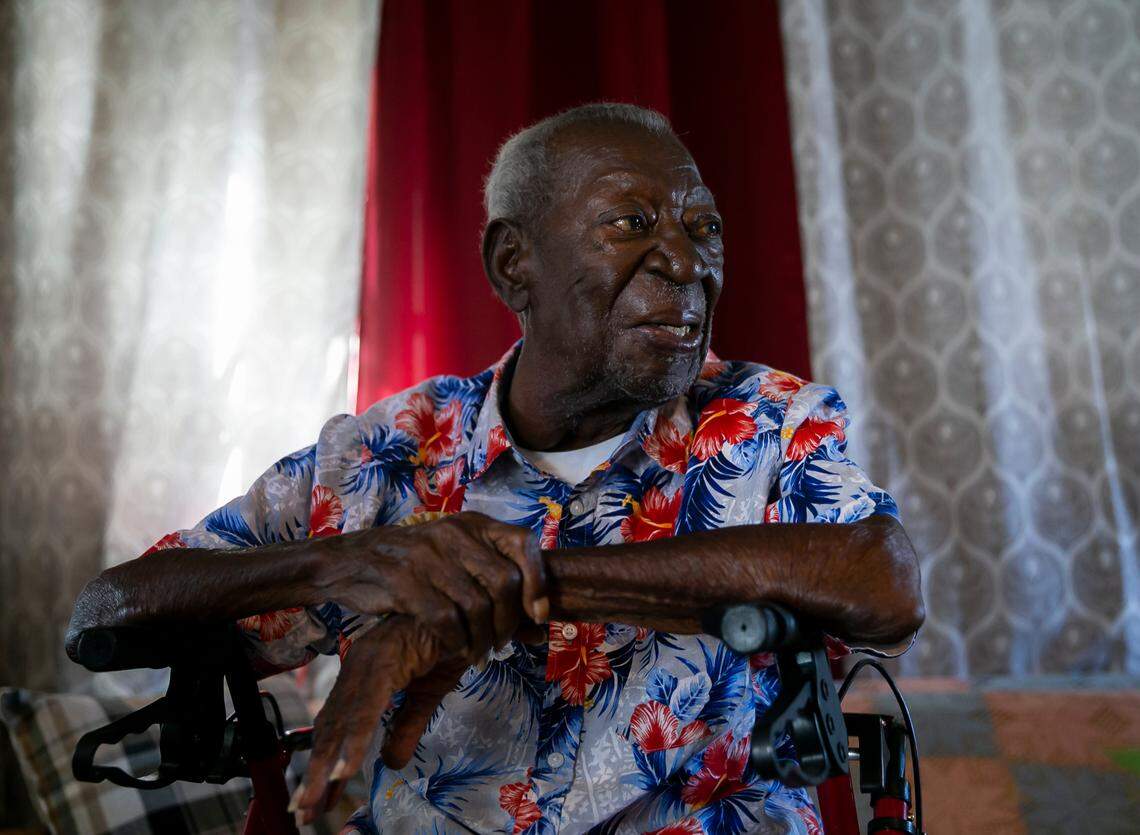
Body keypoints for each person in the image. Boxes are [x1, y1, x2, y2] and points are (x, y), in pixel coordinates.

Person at [67, 103, 924, 834]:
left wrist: (484, 599)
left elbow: (883, 582)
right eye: (632, 223)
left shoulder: (765, 421)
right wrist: (351, 564)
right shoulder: (392, 452)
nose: (686, 260)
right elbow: (104, 617)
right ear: (515, 265)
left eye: (704, 228)